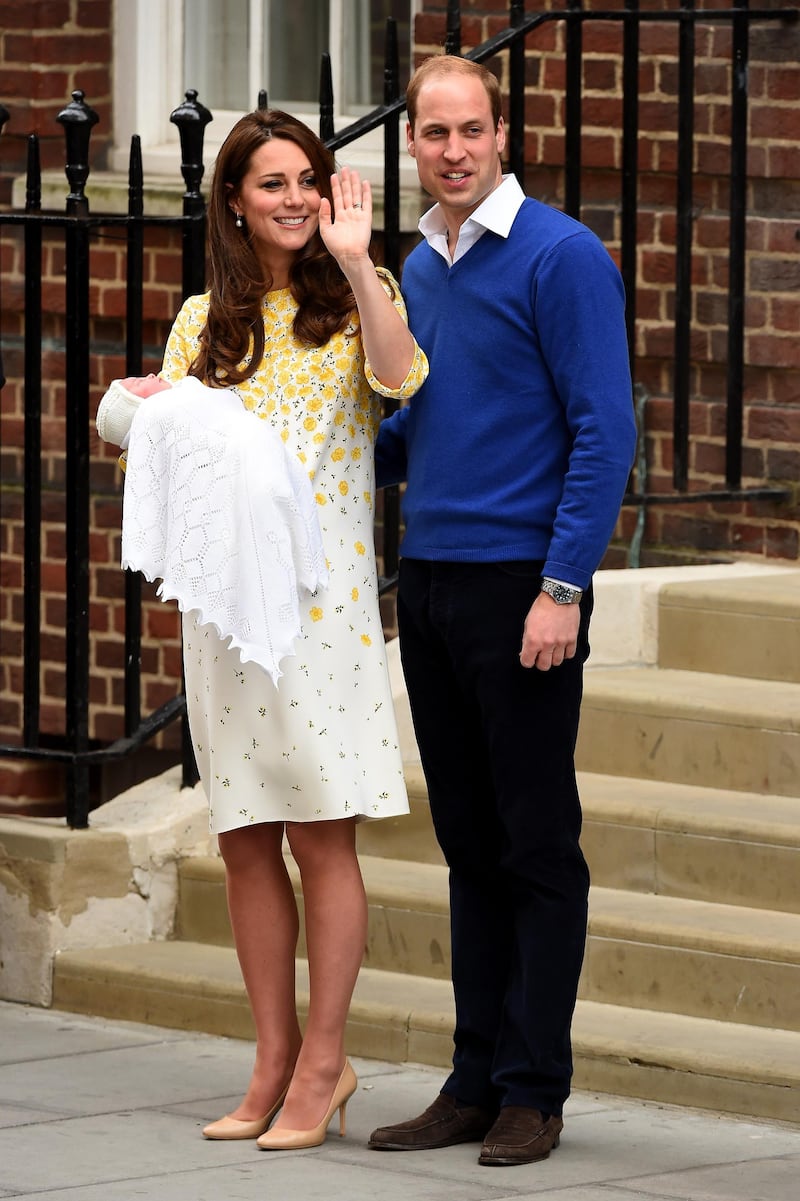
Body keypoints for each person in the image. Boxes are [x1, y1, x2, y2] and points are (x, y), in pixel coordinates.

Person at [103, 109, 427, 1151]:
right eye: (271, 183)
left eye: (306, 180)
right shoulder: (204, 320)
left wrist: (359, 261)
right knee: (243, 841)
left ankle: (326, 1064)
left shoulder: (355, 300)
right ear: (234, 201)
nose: (291, 198)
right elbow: (155, 455)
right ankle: (270, 1059)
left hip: (323, 615)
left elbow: (401, 378)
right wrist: (140, 408)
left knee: (319, 838)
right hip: (227, 619)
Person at [367, 56, 637, 1168]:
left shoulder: (561, 256)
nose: (453, 151)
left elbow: (601, 430)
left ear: (498, 133)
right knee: (466, 842)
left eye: (471, 130)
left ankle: (534, 1085)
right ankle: (471, 1077)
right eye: (434, 133)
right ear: (415, 145)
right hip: (427, 584)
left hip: (520, 587)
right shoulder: (413, 268)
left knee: (534, 844)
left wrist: (562, 586)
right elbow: (404, 429)